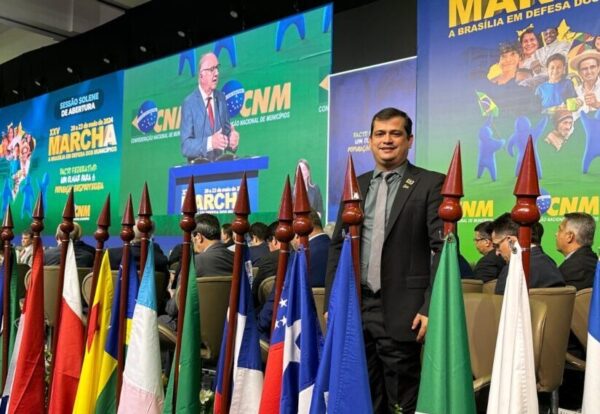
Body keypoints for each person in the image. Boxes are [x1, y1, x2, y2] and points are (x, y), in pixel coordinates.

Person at [325, 108, 445, 413]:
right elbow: (338, 248)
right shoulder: (356, 185)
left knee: (402, 402)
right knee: (363, 398)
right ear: (370, 141)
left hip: (405, 312)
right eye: (380, 134)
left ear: (409, 140)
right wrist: (331, 302)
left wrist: (430, 306)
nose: (387, 140)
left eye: (395, 133)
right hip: (357, 308)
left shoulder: (431, 183)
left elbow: (442, 250)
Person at [180, 52, 240, 162]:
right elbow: (186, 147)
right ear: (201, 75)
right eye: (212, 69)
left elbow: (226, 134)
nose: (216, 73)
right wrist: (210, 142)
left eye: (217, 68)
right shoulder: (189, 103)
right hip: (198, 169)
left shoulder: (221, 98)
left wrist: (232, 141)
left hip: (221, 168)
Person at [492, 214, 565, 294]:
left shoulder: (512, 270)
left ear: (511, 241)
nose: (497, 253)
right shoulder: (551, 264)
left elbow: (500, 301)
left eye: (497, 246)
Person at [556, 212, 598, 290]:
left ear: (570, 236)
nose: (556, 234)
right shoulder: (595, 262)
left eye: (560, 230)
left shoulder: (568, 271)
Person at [571, 49, 600, 114]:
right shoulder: (575, 91)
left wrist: (597, 104)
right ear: (579, 72)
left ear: (598, 68)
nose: (589, 72)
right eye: (584, 69)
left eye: (592, 67)